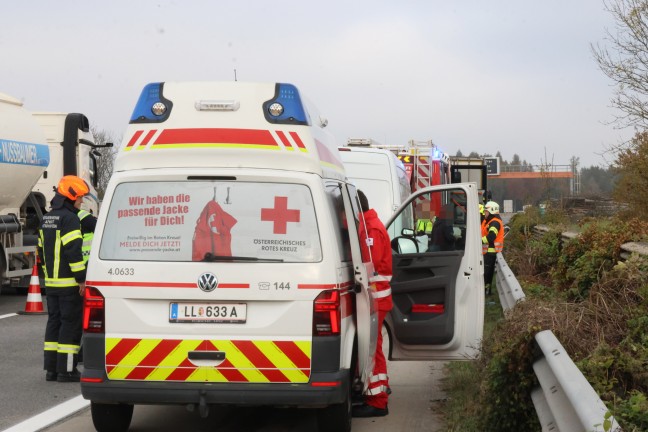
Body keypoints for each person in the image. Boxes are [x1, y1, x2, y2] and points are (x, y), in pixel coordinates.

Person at [38, 175, 90, 382]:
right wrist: (81, 279)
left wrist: (48, 274)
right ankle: (67, 370)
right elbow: (73, 252)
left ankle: (51, 369)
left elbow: (40, 250)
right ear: (70, 197)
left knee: (54, 323)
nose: (81, 202)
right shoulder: (70, 219)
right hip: (69, 283)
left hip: (51, 283)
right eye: (79, 198)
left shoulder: (47, 217)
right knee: (70, 325)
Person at [353, 190, 393, 417]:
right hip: (374, 299)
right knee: (373, 347)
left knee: (372, 350)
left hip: (375, 299)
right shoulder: (369, 226)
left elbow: (370, 265)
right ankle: (377, 390)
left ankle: (378, 401)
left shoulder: (371, 230)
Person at [482, 201, 504, 295]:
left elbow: (491, 237)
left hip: (490, 253)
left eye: (486, 211)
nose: (484, 213)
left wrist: (479, 241)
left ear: (491, 211)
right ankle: (486, 291)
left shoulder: (494, 223)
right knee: (487, 274)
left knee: (487, 274)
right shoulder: (490, 221)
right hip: (488, 253)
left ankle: (486, 292)